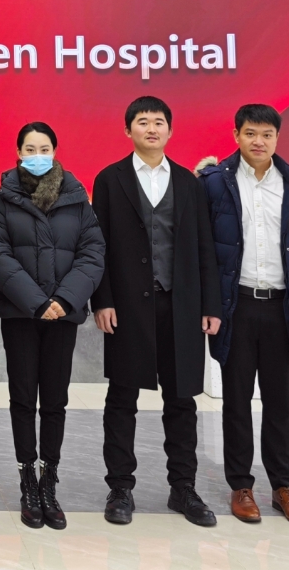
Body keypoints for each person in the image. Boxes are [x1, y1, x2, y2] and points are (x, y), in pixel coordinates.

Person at [90, 96, 222, 527]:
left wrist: (210, 304)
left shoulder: (188, 183)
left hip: (180, 307)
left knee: (182, 401)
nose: (151, 128)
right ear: (127, 130)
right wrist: (102, 299)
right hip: (127, 309)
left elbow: (204, 247)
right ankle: (120, 488)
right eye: (143, 122)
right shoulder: (109, 180)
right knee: (121, 400)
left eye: (159, 122)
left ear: (170, 130)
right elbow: (98, 246)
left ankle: (183, 487)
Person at [196, 104, 289, 527]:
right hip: (237, 305)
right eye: (250, 133)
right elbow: (204, 245)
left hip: (284, 307)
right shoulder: (215, 182)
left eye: (267, 134)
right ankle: (241, 486)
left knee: (280, 403)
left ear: (277, 138)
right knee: (235, 401)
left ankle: (284, 488)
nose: (258, 141)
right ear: (236, 135)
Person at [0, 122, 105, 530]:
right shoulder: (1, 200)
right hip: (21, 315)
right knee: (23, 398)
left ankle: (49, 481)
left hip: (62, 315)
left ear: (55, 151)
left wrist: (64, 300)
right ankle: (27, 482)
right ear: (18, 152)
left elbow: (92, 252)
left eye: (45, 148)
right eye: (30, 148)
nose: (38, 155)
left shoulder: (77, 197)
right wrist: (37, 302)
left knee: (54, 400)